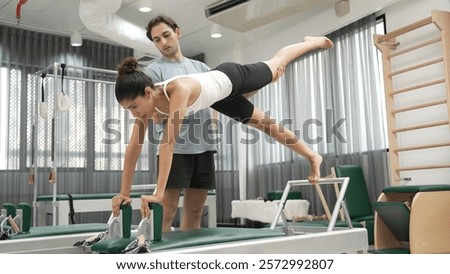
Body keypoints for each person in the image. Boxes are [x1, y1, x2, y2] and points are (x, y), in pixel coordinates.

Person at [115, 36, 333, 218]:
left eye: (134, 106)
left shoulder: (177, 90)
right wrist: (124, 193)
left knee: (277, 63)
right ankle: (313, 156)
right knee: (266, 125)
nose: (134, 113)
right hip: (217, 98)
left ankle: (311, 42)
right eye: (129, 110)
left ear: (148, 92)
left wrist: (159, 193)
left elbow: (168, 144)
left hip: (231, 77)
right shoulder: (145, 109)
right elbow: (133, 149)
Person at [111, 15, 217, 232]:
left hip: (204, 147)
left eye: (166, 35)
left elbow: (217, 99)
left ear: (177, 32)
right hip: (174, 149)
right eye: (157, 40)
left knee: (195, 213)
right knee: (166, 212)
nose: (163, 43)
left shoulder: (202, 67)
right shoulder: (152, 73)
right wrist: (125, 191)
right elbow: (140, 130)